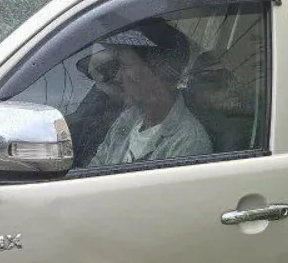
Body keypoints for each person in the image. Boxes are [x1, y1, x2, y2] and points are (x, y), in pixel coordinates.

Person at [91, 18, 213, 167]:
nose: (117, 77)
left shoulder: (188, 142)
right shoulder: (128, 119)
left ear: (157, 73)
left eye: (124, 65)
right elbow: (96, 167)